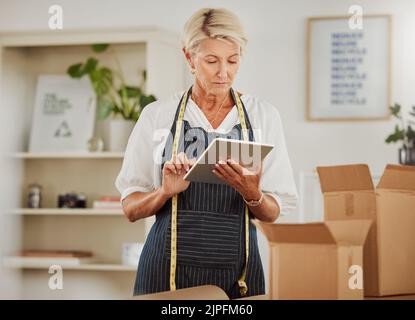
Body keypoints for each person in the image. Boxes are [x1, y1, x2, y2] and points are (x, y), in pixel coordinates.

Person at [115, 7, 298, 299]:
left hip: (239, 277)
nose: (224, 72)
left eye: (233, 60)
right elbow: (130, 208)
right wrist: (164, 192)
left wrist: (253, 194)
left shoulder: (263, 117)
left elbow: (274, 212)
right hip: (166, 275)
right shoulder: (157, 116)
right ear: (189, 57)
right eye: (211, 60)